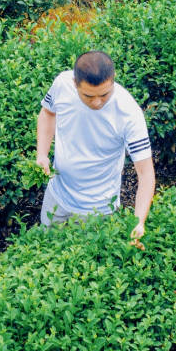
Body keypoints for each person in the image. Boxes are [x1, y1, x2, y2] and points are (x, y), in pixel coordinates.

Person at [35, 49, 154, 247]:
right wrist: (42, 154)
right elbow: (48, 113)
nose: (97, 102)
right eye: (88, 96)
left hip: (98, 211)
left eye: (105, 94)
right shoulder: (62, 84)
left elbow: (146, 173)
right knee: (46, 249)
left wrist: (139, 221)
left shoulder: (128, 113)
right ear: (75, 84)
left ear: (113, 80)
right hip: (57, 196)